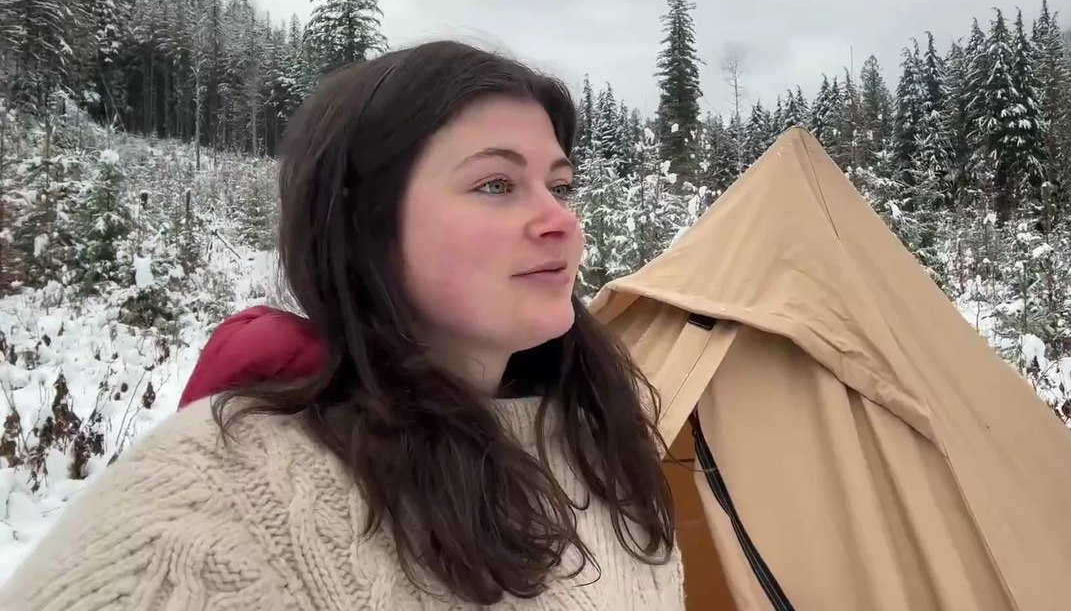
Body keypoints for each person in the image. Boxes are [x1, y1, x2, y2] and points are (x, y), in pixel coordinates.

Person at [0, 40, 685, 609]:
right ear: (365, 224)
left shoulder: (599, 436)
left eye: (560, 186)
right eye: (496, 185)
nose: (560, 220)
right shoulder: (215, 502)